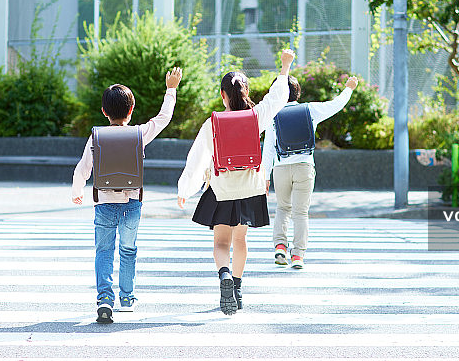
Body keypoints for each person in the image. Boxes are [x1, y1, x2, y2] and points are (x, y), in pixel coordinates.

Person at [177, 49, 295, 315]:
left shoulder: (213, 123)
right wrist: (285, 67)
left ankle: (224, 276)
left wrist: (185, 188)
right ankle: (238, 289)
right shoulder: (257, 117)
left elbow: (197, 158)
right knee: (240, 239)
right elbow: (277, 98)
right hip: (250, 189)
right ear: (246, 92)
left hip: (222, 189)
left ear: (223, 95)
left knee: (221, 242)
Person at [72, 67, 182, 324]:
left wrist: (77, 191)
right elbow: (164, 118)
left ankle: (104, 299)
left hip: (104, 203)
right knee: (128, 249)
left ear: (104, 111)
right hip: (132, 202)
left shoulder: (95, 136)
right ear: (131, 110)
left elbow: (83, 167)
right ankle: (127, 298)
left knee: (103, 251)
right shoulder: (138, 134)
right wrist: (171, 89)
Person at [261, 74, 358, 269]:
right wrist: (349, 88)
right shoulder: (310, 109)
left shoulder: (273, 115)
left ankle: (280, 246)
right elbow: (336, 105)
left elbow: (269, 148)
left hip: (280, 168)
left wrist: (264, 176)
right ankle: (298, 255)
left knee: (282, 208)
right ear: (298, 92)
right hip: (304, 166)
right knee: (301, 213)